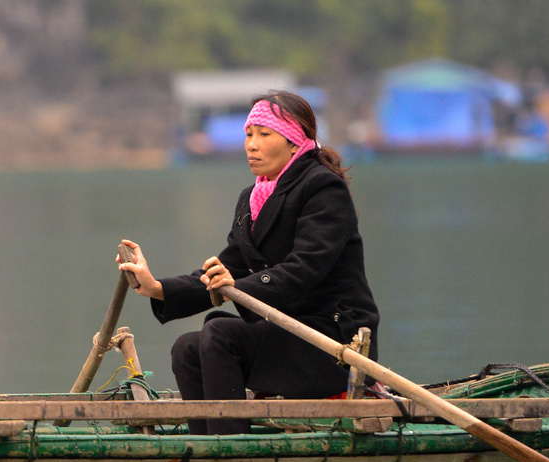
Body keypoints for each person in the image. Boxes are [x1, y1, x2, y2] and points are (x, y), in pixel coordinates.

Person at [118, 91, 379, 433]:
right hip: (286, 337)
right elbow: (226, 269)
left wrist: (234, 288)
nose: (251, 145)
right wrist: (157, 287)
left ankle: (232, 451)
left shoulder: (323, 189)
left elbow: (304, 270)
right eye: (248, 134)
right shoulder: (252, 199)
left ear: (293, 141)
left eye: (264, 134)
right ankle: (207, 448)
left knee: (221, 332)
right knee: (187, 347)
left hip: (331, 344)